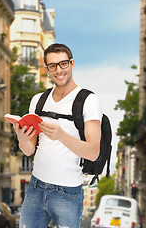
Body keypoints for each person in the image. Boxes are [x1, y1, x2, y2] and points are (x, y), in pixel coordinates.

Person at [13, 43, 102, 228]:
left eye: (63, 63)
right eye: (52, 66)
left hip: (68, 193)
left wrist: (61, 136)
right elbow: (29, 149)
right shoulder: (38, 101)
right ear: (46, 69)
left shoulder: (88, 100)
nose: (59, 70)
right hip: (36, 188)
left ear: (72, 64)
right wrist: (22, 137)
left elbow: (93, 152)